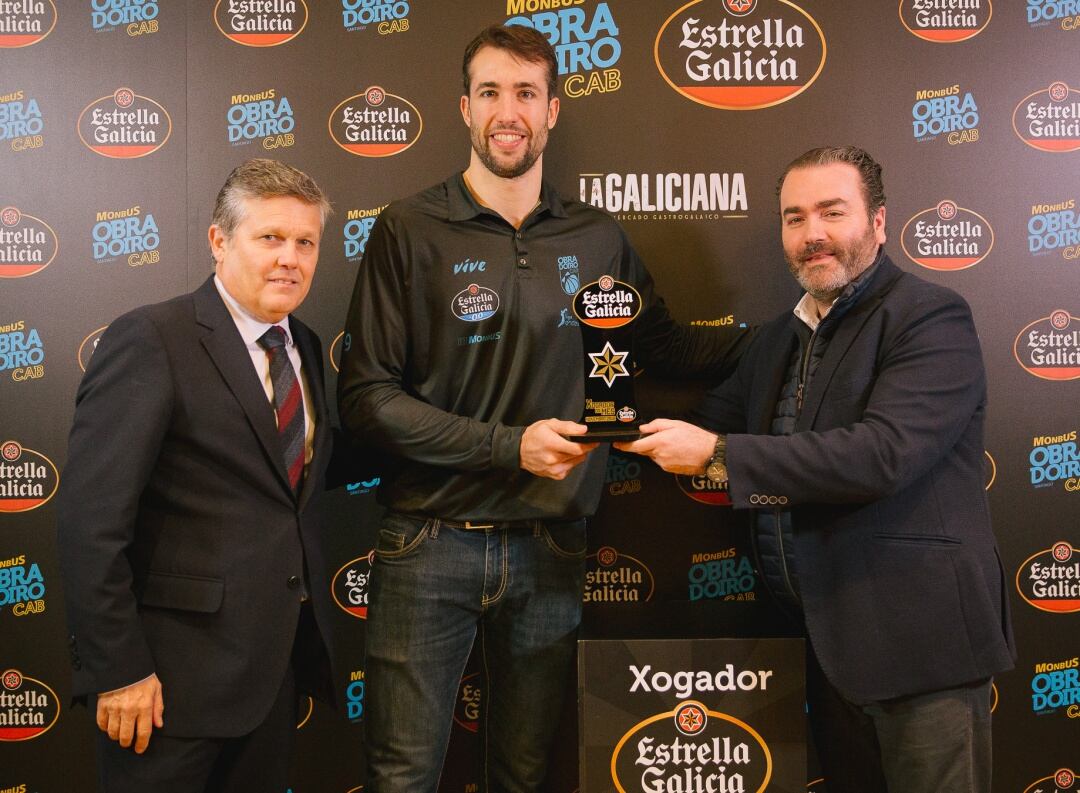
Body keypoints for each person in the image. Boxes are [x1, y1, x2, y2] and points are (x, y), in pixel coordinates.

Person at [336, 23, 749, 793]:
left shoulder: (598, 235)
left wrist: (796, 335)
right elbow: (366, 400)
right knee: (401, 776)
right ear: (464, 107)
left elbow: (664, 349)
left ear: (553, 110)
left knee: (523, 775)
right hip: (430, 540)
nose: (508, 111)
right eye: (490, 92)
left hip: (553, 545)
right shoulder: (408, 227)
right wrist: (506, 446)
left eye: (526, 93)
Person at [616, 145, 1015, 793]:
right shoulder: (781, 338)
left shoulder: (928, 316)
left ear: (879, 222)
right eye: (795, 218)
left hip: (922, 650)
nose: (814, 234)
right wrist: (590, 424)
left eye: (833, 212)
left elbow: (881, 454)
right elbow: (703, 416)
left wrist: (719, 456)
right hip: (827, 648)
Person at [57, 158, 337, 793]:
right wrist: (117, 669)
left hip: (271, 682)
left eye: (305, 242)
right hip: (164, 692)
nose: (289, 258)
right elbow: (89, 522)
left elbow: (299, 482)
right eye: (269, 237)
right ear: (219, 240)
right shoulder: (153, 339)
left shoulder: (307, 349)